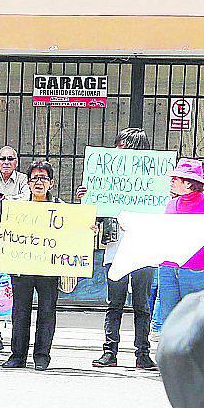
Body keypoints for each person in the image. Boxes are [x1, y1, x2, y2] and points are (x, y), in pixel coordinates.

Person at [79, 128, 157, 369]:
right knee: (115, 303)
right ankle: (109, 351)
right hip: (116, 249)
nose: (117, 152)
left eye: (122, 147)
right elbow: (93, 218)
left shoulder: (153, 183)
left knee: (142, 305)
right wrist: (88, 198)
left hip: (144, 250)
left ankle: (142, 353)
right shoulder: (109, 183)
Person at [151, 159, 204, 366]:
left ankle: (192, 360)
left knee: (192, 316)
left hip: (195, 269)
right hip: (168, 267)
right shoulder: (171, 205)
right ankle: (170, 360)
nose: (171, 181)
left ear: (189, 183)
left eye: (175, 179)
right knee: (169, 313)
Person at [2, 161, 62, 370]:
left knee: (47, 311)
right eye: (35, 178)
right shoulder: (16, 206)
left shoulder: (61, 209)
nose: (39, 182)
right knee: (20, 311)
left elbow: (72, 234)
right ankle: (17, 356)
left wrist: (84, 229)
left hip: (49, 269)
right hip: (22, 266)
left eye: (43, 178)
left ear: (51, 183)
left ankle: (42, 356)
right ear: (28, 183)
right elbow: (4, 230)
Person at [0, 145, 28, 224]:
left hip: (15, 222)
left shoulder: (23, 178)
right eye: (2, 159)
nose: (6, 162)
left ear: (16, 162)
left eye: (10, 159)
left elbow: (26, 197)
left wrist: (3, 199)